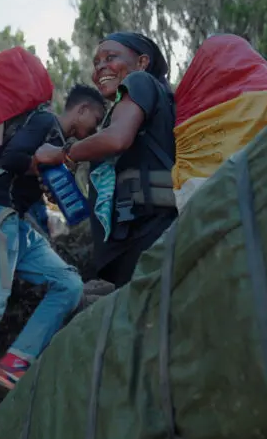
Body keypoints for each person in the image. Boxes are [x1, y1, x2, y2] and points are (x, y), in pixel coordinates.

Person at [0, 86, 108, 439]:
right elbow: (15, 158)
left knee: (68, 284)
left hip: (16, 223)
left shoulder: (54, 140)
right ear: (81, 110)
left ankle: (17, 360)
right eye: (94, 120)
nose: (93, 129)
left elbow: (26, 173)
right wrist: (44, 162)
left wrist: (48, 181)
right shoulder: (46, 122)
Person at [34, 32, 177, 288]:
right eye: (96, 63)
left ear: (142, 62)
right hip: (135, 244)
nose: (100, 68)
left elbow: (117, 139)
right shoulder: (130, 110)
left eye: (110, 58)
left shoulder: (140, 81)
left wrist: (63, 153)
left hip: (148, 238)